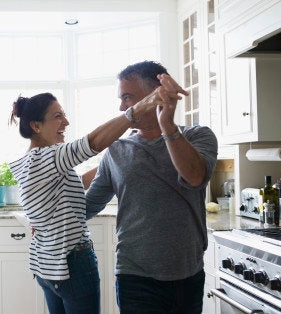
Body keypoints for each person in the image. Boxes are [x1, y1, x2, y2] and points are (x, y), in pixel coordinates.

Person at [9, 75, 187, 314]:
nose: (66, 122)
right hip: (72, 263)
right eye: (58, 116)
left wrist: (115, 159)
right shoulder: (49, 157)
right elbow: (92, 142)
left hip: (47, 266)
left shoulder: (31, 163)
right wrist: (141, 106)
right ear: (36, 126)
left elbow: (76, 183)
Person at [85, 61, 218, 314]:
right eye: (121, 98)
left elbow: (194, 177)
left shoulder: (198, 136)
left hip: (187, 274)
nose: (122, 107)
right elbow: (89, 205)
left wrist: (167, 124)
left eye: (127, 97)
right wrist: (47, 218)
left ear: (154, 95)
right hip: (135, 276)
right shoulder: (116, 149)